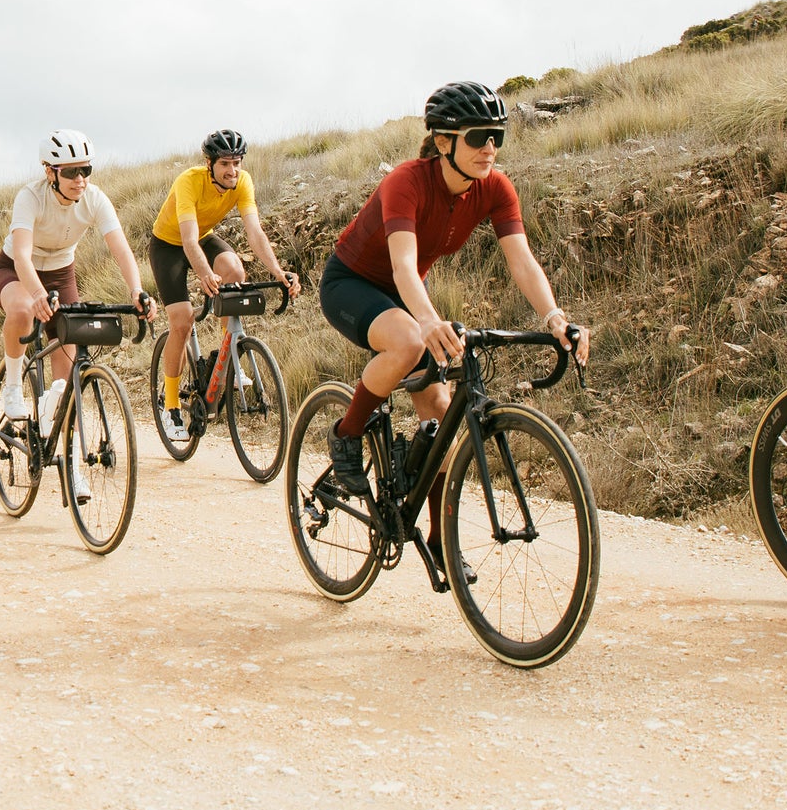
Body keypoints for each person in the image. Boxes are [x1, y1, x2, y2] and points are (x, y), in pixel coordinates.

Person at [318, 80, 589, 576]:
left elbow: (522, 261)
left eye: (497, 137)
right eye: (478, 137)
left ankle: (440, 538)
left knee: (441, 412)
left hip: (408, 293)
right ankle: (346, 433)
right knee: (407, 342)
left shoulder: (496, 187)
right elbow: (402, 264)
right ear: (444, 141)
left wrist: (555, 317)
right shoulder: (406, 181)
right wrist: (427, 321)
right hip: (351, 283)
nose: (490, 148)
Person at [0, 130, 155, 431]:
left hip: (61, 275)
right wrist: (37, 294)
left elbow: (121, 250)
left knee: (66, 387)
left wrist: (137, 290)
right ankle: (12, 387)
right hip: (15, 270)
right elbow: (22, 256)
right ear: (50, 172)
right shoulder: (30, 197)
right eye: (71, 172)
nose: (80, 180)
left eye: (86, 170)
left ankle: (61, 440)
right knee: (23, 310)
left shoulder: (94, 199)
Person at [148, 130, 300, 441]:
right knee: (182, 321)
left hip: (203, 237)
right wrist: (205, 273)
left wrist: (277, 271)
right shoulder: (189, 181)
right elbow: (188, 241)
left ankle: (228, 357)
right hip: (168, 246)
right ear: (210, 164)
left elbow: (255, 232)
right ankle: (171, 404)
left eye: (237, 163)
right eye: (225, 164)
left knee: (234, 270)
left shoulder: (242, 182)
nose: (232, 170)